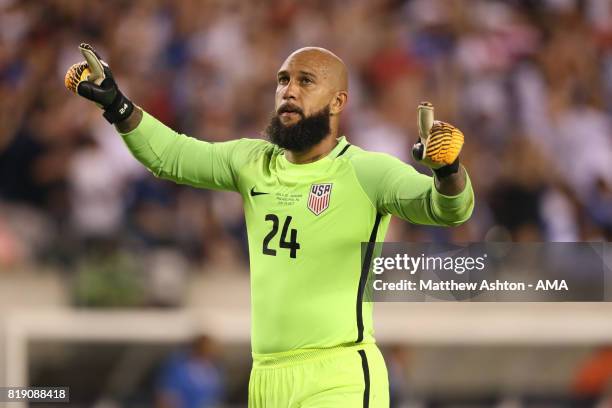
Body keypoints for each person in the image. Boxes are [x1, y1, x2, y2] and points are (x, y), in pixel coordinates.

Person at [65, 43, 474, 407]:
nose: (288, 90)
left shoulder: (367, 172)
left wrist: (447, 169)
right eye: (283, 80)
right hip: (266, 379)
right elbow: (171, 156)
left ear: (337, 102)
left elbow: (448, 209)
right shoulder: (253, 162)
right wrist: (117, 105)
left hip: (338, 376)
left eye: (305, 81)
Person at [156, 335, 224, 408]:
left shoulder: (214, 370)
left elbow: (217, 397)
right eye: (204, 349)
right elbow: (166, 398)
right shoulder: (178, 368)